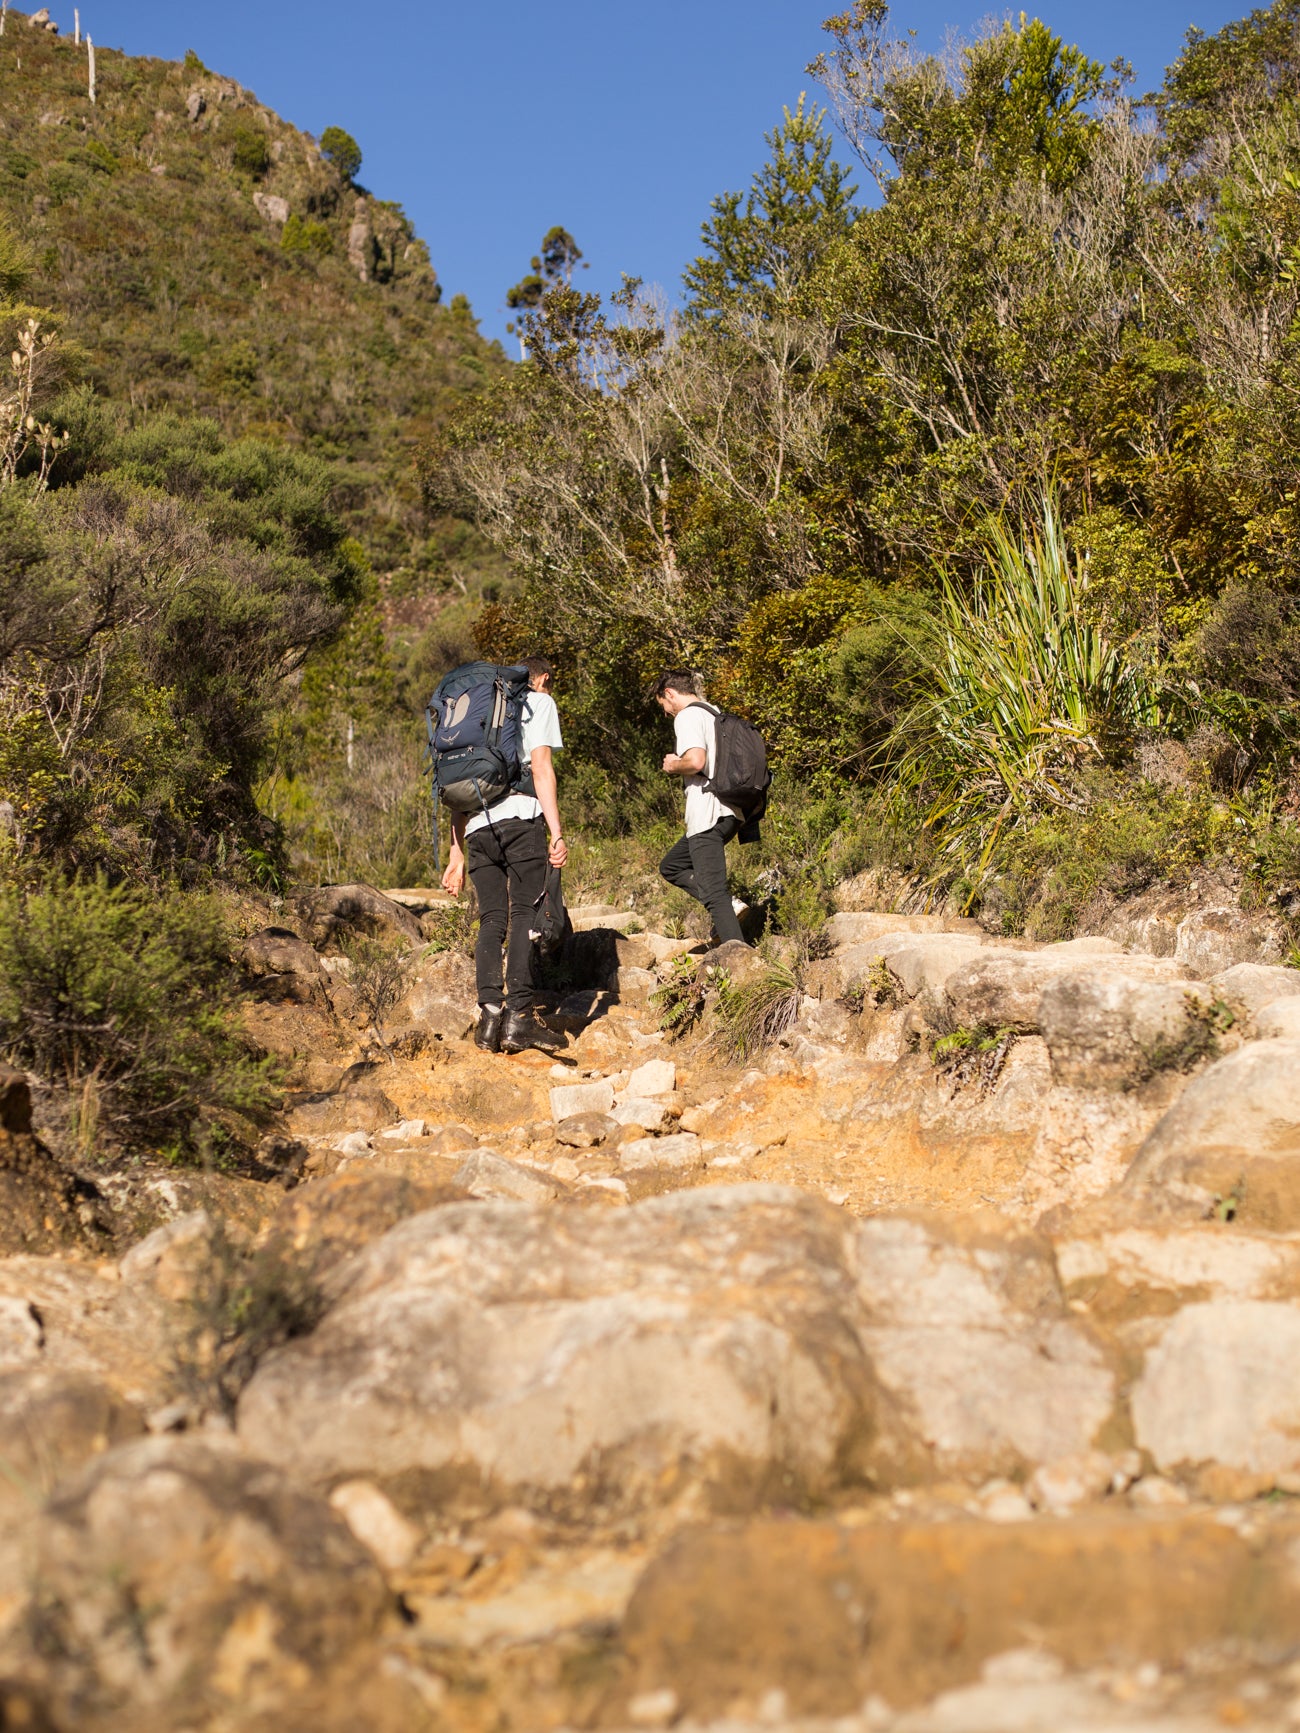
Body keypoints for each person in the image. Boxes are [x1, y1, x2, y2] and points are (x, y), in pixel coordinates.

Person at [441, 657, 568, 1053]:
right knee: (522, 915)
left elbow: (460, 793)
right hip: (520, 817)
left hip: (477, 828)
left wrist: (455, 855)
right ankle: (520, 1018)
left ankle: (489, 1018)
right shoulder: (538, 703)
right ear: (542, 677)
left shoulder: (480, 716)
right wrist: (556, 831)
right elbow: (542, 768)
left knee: (491, 918)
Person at [655, 670, 748, 948]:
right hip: (731, 810)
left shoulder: (687, 716)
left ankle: (741, 965)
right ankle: (729, 907)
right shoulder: (713, 712)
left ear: (669, 694)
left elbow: (696, 761)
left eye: (664, 707)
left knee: (716, 894)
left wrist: (673, 765)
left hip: (706, 812)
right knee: (671, 865)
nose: (668, 713)